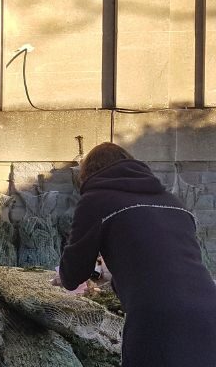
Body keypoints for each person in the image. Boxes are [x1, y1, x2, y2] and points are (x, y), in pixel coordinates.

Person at [56, 142, 216, 366]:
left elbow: (72, 275)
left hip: (157, 318)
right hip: (209, 312)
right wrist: (115, 275)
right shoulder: (173, 203)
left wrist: (62, 276)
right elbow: (169, 263)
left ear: (88, 174)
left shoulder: (96, 199)